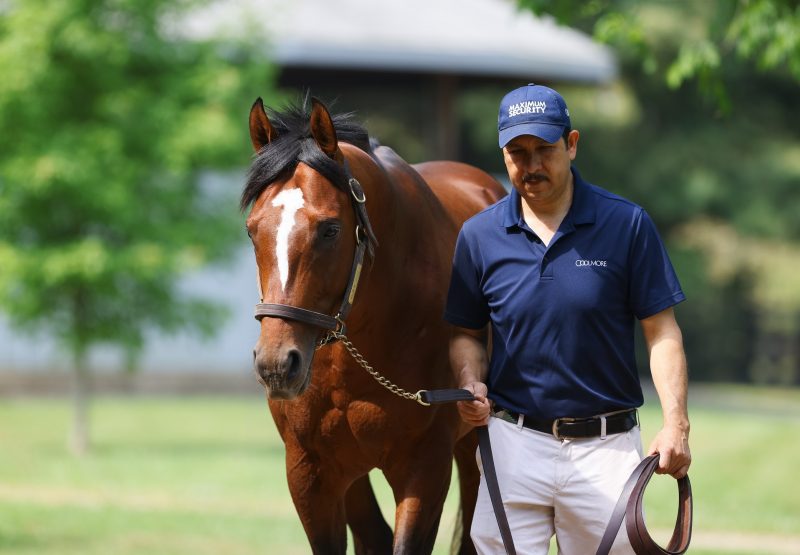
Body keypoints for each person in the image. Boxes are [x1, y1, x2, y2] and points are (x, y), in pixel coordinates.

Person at [445, 83, 691, 554]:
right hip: (512, 443)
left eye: (545, 149)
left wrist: (676, 423)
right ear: (503, 152)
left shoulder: (627, 225)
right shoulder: (478, 236)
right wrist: (469, 378)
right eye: (518, 152)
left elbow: (662, 333)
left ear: (572, 145)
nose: (532, 164)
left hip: (607, 447)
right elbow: (466, 333)